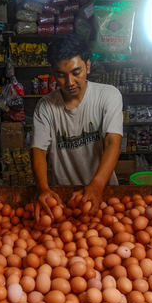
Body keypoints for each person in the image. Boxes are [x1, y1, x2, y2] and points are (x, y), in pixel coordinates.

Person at [31, 35, 123, 222]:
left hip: (103, 192)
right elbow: (38, 150)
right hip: (65, 199)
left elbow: (113, 141)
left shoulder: (108, 95)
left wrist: (97, 184)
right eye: (62, 75)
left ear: (88, 66)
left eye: (76, 72)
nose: (70, 82)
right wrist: (43, 188)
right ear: (53, 73)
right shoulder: (45, 106)